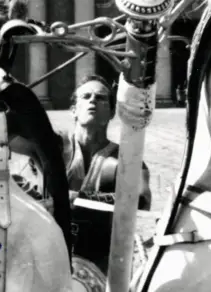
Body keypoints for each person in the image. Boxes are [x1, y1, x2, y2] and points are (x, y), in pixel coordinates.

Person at [58, 75, 152, 211]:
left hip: (103, 231)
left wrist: (79, 198)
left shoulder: (127, 158)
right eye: (86, 96)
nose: (93, 100)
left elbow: (142, 199)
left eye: (100, 97)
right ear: (74, 111)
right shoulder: (55, 146)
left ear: (112, 112)